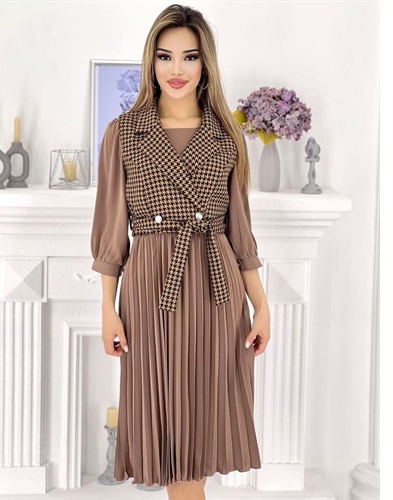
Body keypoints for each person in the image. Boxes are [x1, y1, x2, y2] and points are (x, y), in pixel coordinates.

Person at [90, 4, 271, 499]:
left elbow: (240, 233)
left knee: (202, 425)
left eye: (189, 57)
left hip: (217, 289)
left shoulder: (227, 135)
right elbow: (111, 233)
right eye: (165, 56)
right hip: (152, 288)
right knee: (168, 431)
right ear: (150, 61)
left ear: (205, 63)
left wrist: (261, 304)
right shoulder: (124, 133)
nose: (176, 69)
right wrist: (107, 308)